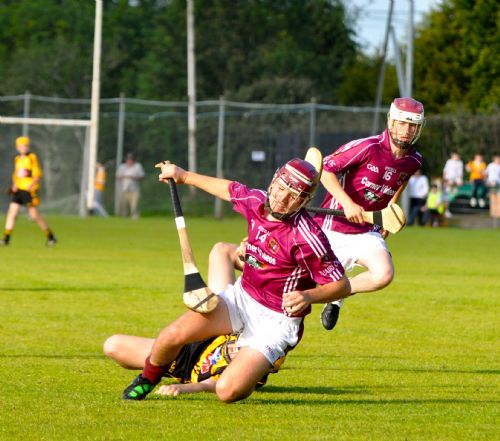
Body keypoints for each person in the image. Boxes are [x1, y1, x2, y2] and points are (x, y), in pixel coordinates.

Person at [121, 156, 350, 402]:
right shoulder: (257, 201)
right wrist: (183, 175)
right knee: (171, 335)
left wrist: (308, 296)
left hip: (276, 321)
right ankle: (147, 379)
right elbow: (228, 189)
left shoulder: (308, 238)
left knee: (227, 392)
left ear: (304, 202)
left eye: (293, 195)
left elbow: (342, 285)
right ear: (273, 181)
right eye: (281, 188)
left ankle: (249, 369)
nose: (282, 198)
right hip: (241, 299)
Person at [316, 97, 425, 331]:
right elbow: (325, 169)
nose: (406, 130)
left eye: (413, 125)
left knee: (383, 274)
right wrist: (347, 204)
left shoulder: (414, 160)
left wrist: (389, 212)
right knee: (293, 288)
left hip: (367, 231)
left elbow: (401, 182)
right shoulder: (367, 147)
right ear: (391, 122)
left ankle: (337, 295)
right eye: (402, 123)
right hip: (332, 226)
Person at [104, 332, 284, 397]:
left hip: (182, 365)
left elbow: (209, 385)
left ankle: (155, 369)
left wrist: (181, 389)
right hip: (190, 345)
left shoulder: (250, 372)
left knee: (114, 346)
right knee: (111, 344)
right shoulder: (252, 328)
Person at [0, 136, 57, 247]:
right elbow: (17, 175)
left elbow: (37, 174)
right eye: (21, 146)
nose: (24, 148)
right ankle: (6, 238)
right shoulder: (17, 159)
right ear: (17, 147)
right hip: (19, 190)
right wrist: (14, 185)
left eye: (25, 146)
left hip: (28, 190)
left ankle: (51, 237)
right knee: (12, 213)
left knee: (34, 215)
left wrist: (33, 184)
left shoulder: (32, 157)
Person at [116, 153, 145, 218]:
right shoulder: (122, 167)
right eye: (128, 159)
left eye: (131, 159)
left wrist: (133, 177)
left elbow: (142, 176)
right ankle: (124, 217)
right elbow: (118, 176)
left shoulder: (137, 166)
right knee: (123, 205)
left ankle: (135, 217)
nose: (129, 161)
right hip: (124, 189)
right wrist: (124, 177)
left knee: (134, 205)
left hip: (134, 189)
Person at [442, 152, 464, 218]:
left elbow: (460, 173)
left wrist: (459, 180)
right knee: (446, 197)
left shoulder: (460, 163)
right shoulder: (449, 162)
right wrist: (445, 180)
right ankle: (446, 211)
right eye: (454, 156)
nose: (456, 157)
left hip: (455, 181)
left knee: (450, 196)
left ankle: (448, 210)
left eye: (457, 156)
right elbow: (445, 171)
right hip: (448, 180)